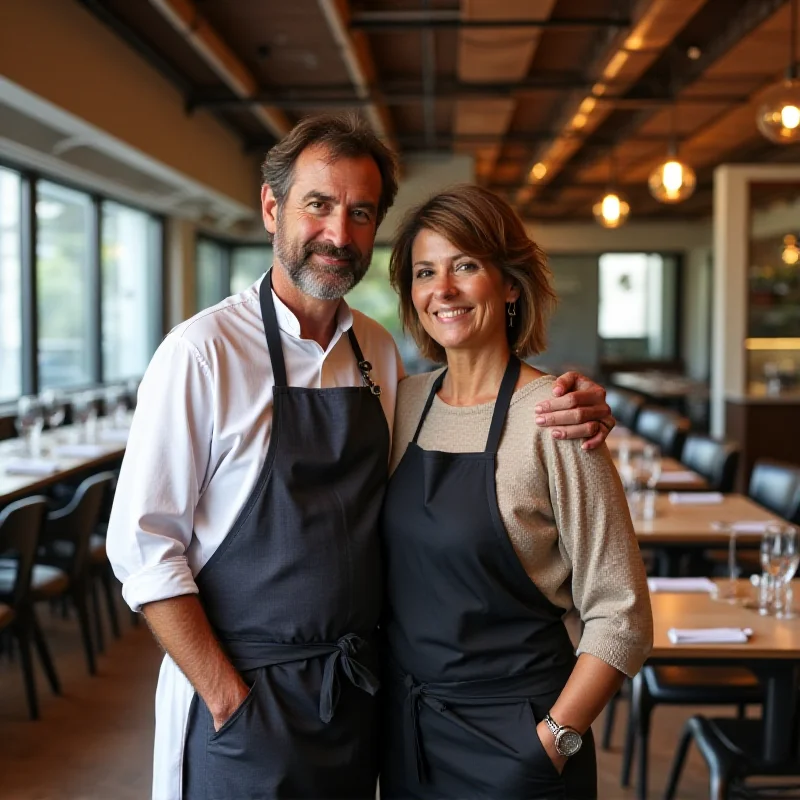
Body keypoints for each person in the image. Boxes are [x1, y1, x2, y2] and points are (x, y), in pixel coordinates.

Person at [107, 114, 616, 800]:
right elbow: (143, 549)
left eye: (360, 213)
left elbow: (476, 420)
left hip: (360, 696)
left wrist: (575, 401)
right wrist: (227, 696)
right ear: (271, 207)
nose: (338, 235)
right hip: (248, 697)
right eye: (318, 205)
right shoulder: (202, 353)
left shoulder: (375, 351)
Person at [380, 185, 653, 799]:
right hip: (410, 731)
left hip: (519, 739)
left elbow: (622, 615)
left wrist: (553, 742)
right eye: (425, 272)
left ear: (509, 284)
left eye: (466, 266)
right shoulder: (402, 406)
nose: (442, 289)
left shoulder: (555, 417)